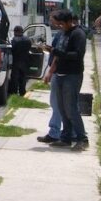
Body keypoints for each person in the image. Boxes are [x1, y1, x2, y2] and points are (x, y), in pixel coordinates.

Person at [50, 9, 89, 150]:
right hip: (60, 74)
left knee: (71, 108)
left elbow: (77, 55)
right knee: (62, 108)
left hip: (72, 75)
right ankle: (65, 138)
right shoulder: (63, 33)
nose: (59, 26)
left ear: (69, 22)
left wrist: (58, 52)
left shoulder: (78, 34)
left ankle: (82, 139)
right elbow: (58, 52)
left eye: (61, 24)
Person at [37, 13, 63, 144]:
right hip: (59, 73)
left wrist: (50, 72)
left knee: (56, 104)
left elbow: (57, 55)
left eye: (52, 20)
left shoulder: (61, 35)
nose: (51, 23)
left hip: (58, 73)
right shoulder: (63, 34)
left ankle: (54, 132)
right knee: (61, 105)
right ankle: (68, 132)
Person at [10, 25, 31, 97]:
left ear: (16, 32)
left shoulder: (14, 40)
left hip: (16, 61)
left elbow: (12, 50)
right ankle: (22, 92)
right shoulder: (28, 40)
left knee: (15, 78)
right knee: (23, 78)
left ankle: (14, 92)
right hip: (25, 61)